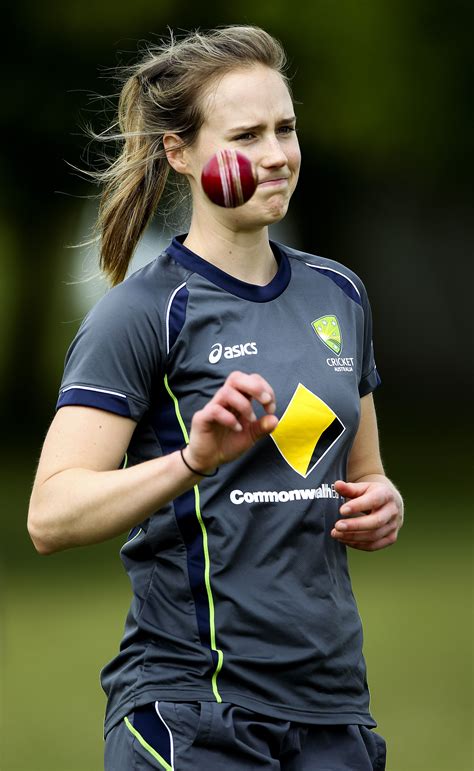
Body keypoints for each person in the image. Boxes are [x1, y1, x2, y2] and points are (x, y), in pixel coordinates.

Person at [28, 25, 403, 771]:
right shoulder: (144, 312)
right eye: (246, 136)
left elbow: (367, 475)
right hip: (195, 711)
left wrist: (384, 502)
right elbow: (51, 515)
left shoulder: (339, 294)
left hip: (333, 710)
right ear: (179, 152)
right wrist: (194, 460)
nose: (276, 154)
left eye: (285, 128)